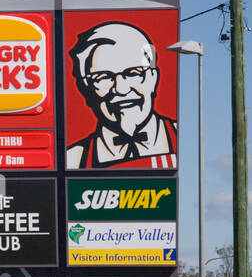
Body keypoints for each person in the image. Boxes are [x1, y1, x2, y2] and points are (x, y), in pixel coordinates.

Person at [65, 21, 177, 169]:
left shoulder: (184, 140)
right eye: (103, 77)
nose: (121, 89)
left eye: (133, 73)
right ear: (85, 88)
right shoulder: (73, 160)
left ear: (153, 77)